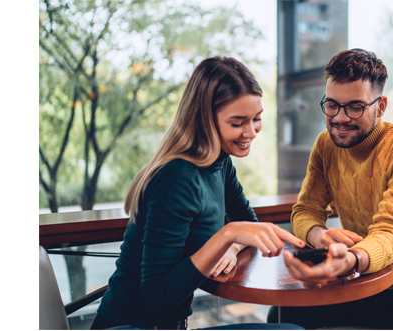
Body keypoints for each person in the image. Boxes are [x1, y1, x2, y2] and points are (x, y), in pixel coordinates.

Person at [92, 56, 305, 330]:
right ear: (205, 119)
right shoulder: (177, 177)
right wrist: (226, 237)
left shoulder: (220, 163)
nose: (251, 132)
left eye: (257, 119)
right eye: (237, 122)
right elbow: (157, 299)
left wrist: (231, 245)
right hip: (128, 325)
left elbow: (250, 226)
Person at [268, 49, 393, 330]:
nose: (340, 118)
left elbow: (392, 231)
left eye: (355, 107)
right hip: (368, 286)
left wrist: (352, 260)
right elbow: (305, 211)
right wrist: (321, 236)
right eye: (332, 105)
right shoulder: (325, 145)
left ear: (381, 106)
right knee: (282, 315)